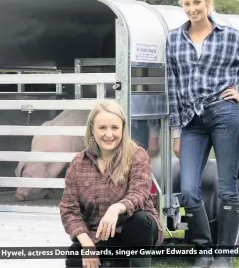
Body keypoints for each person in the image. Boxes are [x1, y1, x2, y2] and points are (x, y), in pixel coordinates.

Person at [166, 0, 239, 268]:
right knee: (188, 190)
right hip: (191, 122)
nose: (192, 8)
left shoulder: (230, 37)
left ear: (208, 4)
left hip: (225, 116)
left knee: (227, 189)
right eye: (187, 4)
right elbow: (173, 88)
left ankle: (224, 254)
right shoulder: (174, 39)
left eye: (197, 3)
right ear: (182, 6)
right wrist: (176, 132)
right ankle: (202, 249)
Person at [60, 100, 163, 268]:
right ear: (92, 130)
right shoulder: (78, 163)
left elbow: (139, 194)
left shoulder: (137, 155)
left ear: (123, 128)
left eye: (114, 127)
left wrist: (116, 208)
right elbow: (68, 209)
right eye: (102, 128)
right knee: (74, 259)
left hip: (132, 231)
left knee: (140, 220)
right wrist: (86, 244)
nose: (109, 134)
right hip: (96, 235)